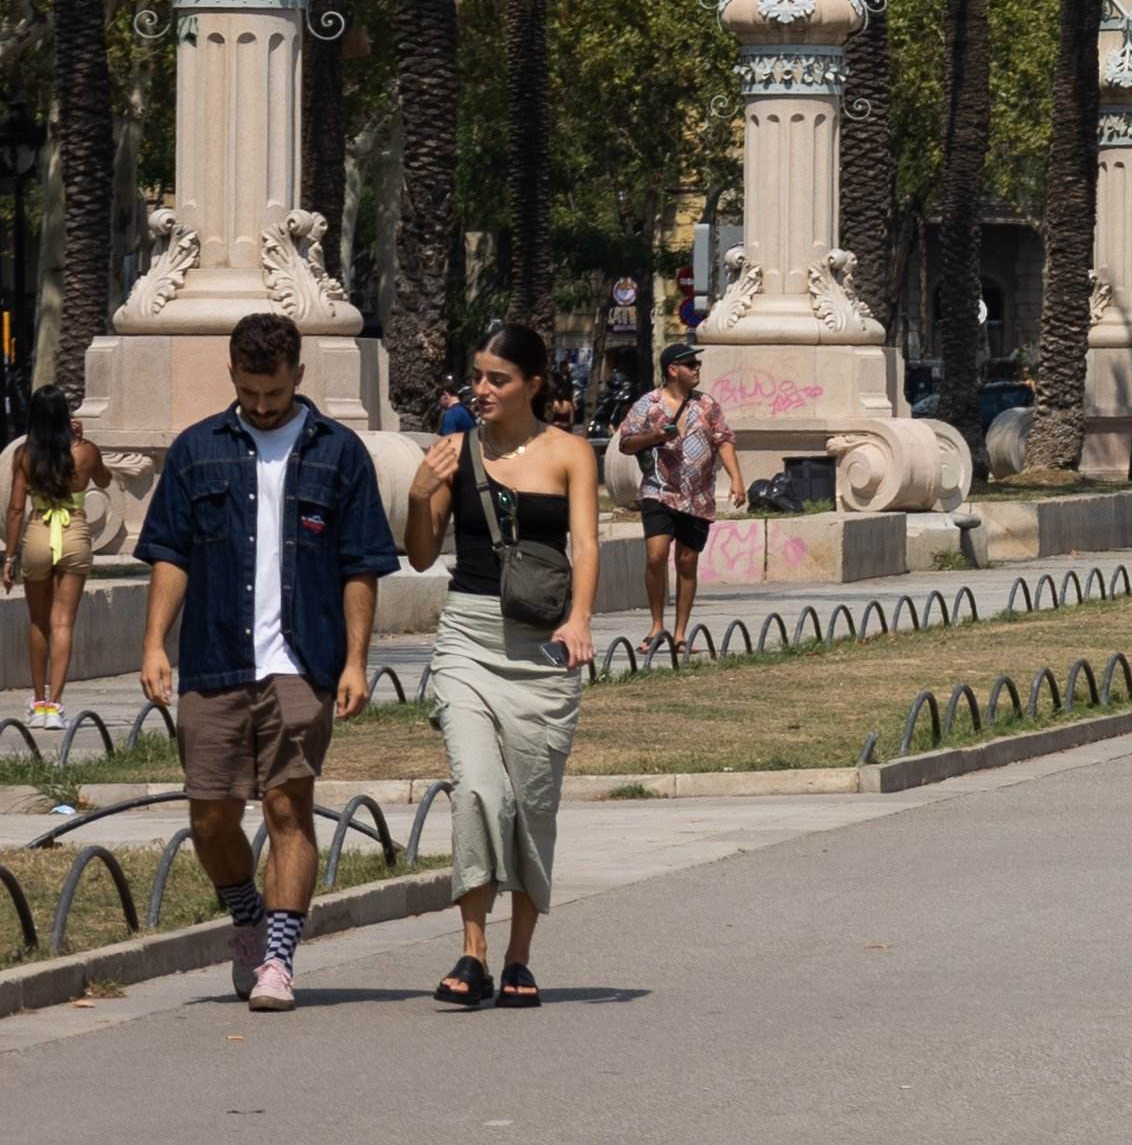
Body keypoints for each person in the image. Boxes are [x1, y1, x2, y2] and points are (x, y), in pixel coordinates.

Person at [127, 312, 392, 1011]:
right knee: (210, 817)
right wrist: (155, 642)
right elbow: (170, 554)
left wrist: (356, 660)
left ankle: (277, 959)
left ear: (298, 377)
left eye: (273, 392)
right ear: (233, 377)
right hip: (214, 658)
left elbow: (361, 567)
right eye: (249, 392)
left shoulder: (340, 454)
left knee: (286, 805)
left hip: (303, 661)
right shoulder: (197, 451)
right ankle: (246, 913)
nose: (263, 405)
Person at [398, 318, 602, 1010]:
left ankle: (519, 958)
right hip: (469, 636)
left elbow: (588, 544)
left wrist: (579, 618)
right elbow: (421, 554)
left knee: (532, 803)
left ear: (532, 386)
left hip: (543, 644)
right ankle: (472, 951)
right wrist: (421, 492)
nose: (480, 389)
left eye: (497, 379)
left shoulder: (571, 452)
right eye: (477, 375)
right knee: (480, 789)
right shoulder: (454, 451)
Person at [610, 339, 729, 646]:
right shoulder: (648, 404)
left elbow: (723, 439)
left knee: (687, 562)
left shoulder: (707, 405)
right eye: (691, 365)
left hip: (698, 496)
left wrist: (737, 479)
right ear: (673, 370)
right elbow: (625, 443)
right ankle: (656, 625)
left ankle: (679, 634)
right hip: (658, 491)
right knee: (656, 556)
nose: (697, 369)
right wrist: (654, 436)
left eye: (697, 364)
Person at [14, 387, 88, 733]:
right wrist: (82, 442)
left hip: (39, 531)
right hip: (72, 529)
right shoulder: (84, 452)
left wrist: (9, 556)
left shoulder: (25, 455)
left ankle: (39, 701)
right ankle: (56, 705)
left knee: (38, 621)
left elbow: (16, 509)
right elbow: (103, 479)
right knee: (63, 623)